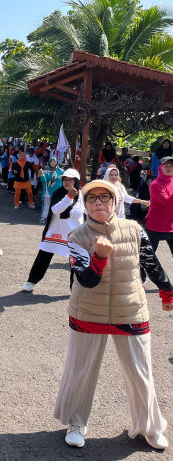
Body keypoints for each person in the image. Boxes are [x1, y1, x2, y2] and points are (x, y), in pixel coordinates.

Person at [53, 179, 173, 450]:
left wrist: (167, 289)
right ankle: (76, 422)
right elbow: (85, 280)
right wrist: (99, 257)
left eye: (104, 197)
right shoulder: (76, 237)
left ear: (115, 201)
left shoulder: (134, 230)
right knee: (81, 370)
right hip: (87, 311)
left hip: (130, 309)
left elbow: (151, 262)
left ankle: (148, 426)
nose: (98, 203)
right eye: (91, 198)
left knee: (141, 372)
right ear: (84, 205)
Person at [23, 169, 84, 292]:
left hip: (74, 233)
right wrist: (68, 197)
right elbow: (56, 210)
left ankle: (76, 289)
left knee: (77, 262)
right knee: (43, 257)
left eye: (70, 180)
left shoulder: (83, 196)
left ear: (76, 181)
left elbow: (87, 212)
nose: (67, 182)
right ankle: (32, 281)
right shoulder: (58, 193)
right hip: (56, 230)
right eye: (65, 179)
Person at [144, 156, 173, 259]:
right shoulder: (155, 184)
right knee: (148, 258)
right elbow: (166, 201)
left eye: (171, 165)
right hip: (155, 226)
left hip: (171, 226)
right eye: (166, 165)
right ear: (160, 167)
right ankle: (140, 275)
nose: (169, 168)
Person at [39, 157, 64, 223]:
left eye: (54, 161)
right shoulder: (46, 171)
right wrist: (42, 174)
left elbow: (65, 179)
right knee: (46, 205)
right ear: (49, 162)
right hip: (48, 191)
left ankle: (57, 219)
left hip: (58, 191)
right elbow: (44, 181)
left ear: (56, 162)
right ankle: (44, 217)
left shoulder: (61, 171)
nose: (52, 163)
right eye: (51, 161)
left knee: (57, 205)